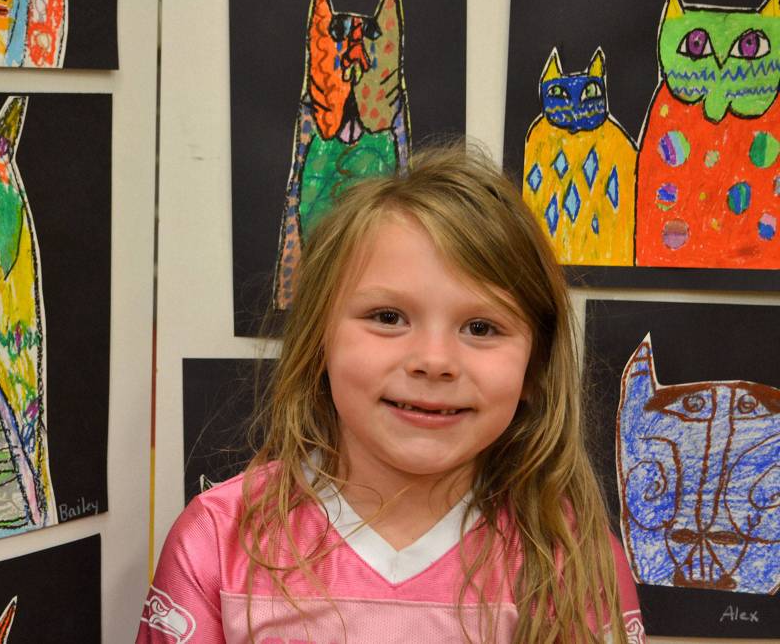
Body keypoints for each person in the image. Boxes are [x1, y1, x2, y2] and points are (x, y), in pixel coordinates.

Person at [137, 143, 645, 643]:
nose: (434, 361)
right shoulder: (216, 542)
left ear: (534, 366)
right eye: (387, 317)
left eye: (482, 327)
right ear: (319, 340)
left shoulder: (574, 559)